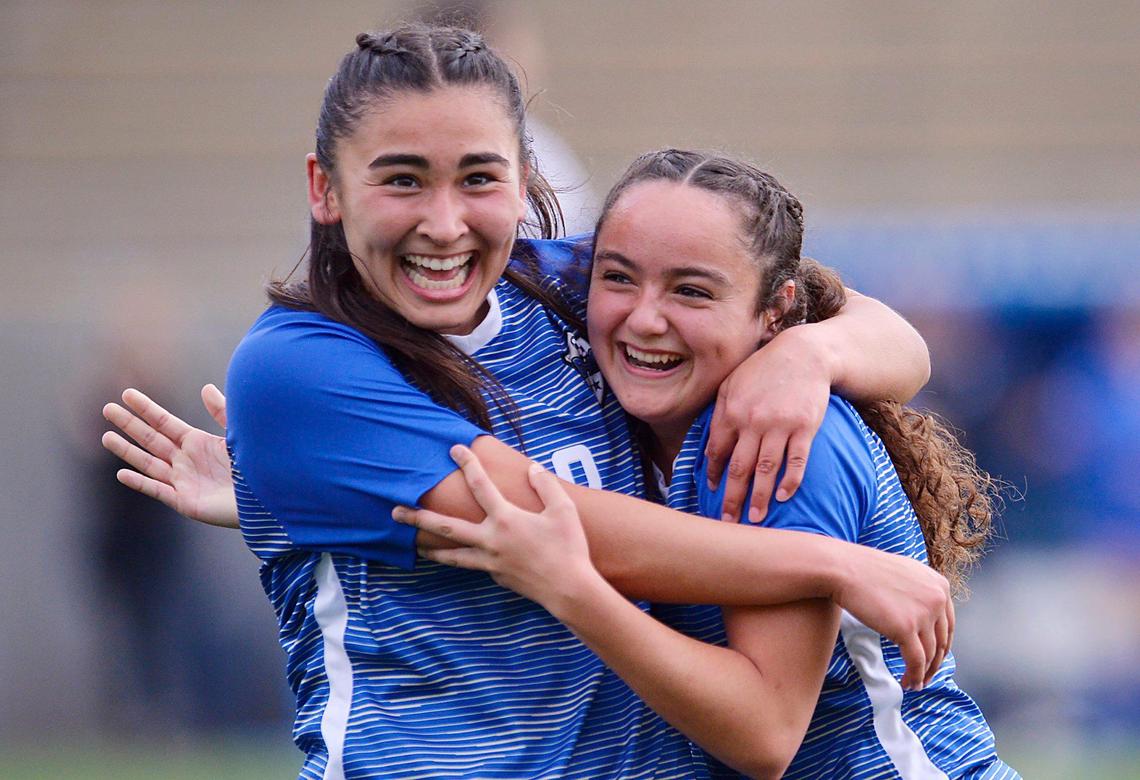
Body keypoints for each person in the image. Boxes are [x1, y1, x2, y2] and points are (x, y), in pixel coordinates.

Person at [101, 24, 949, 778]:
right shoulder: (299, 366)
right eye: (402, 180)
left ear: (524, 179)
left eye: (478, 177)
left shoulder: (583, 288)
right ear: (326, 188)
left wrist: (807, 353)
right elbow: (552, 525)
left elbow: (889, 335)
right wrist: (841, 566)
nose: (444, 222)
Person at [398, 150, 1018, 778]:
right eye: (618, 278)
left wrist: (571, 586)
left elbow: (764, 735)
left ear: (774, 310)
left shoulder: (774, 438)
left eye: (690, 291)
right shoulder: (613, 410)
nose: (644, 319)